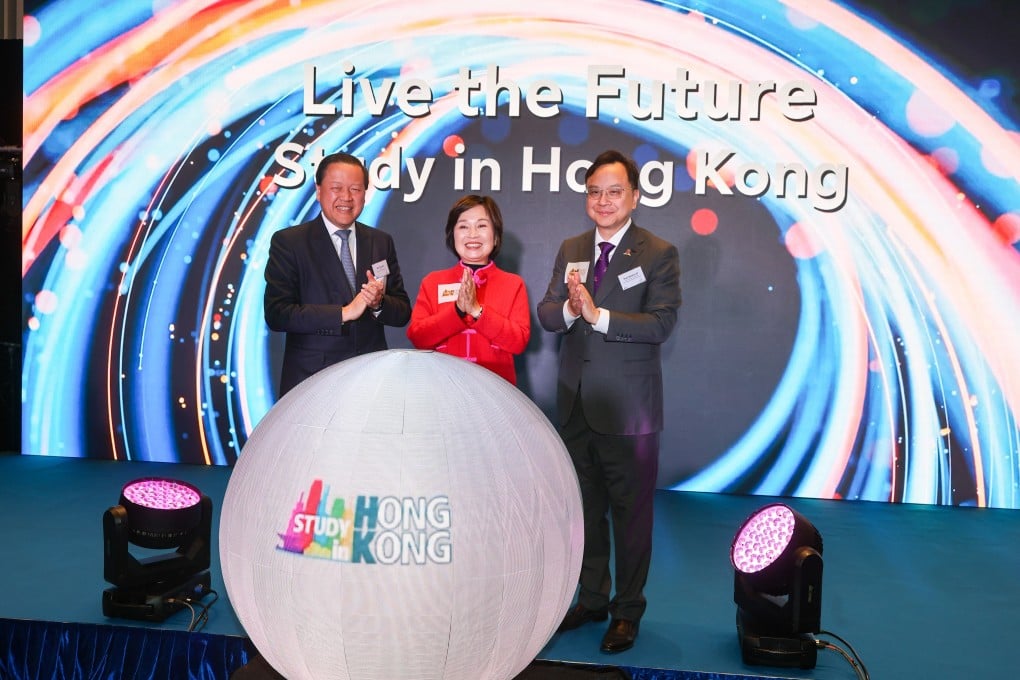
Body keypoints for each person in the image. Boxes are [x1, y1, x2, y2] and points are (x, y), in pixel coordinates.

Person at [537, 150, 681, 653]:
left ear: (634, 197)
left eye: (614, 191)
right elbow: (548, 313)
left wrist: (598, 317)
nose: (603, 200)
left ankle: (627, 609)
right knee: (584, 510)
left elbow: (661, 323)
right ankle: (593, 597)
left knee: (631, 516)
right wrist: (571, 310)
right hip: (576, 403)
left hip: (628, 410)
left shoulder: (658, 252)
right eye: (595, 191)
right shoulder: (572, 247)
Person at [264, 152, 411, 396]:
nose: (346, 197)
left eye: (355, 189)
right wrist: (343, 313)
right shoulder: (290, 242)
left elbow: (402, 312)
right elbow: (277, 314)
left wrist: (378, 304)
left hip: (370, 381)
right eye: (336, 188)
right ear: (318, 191)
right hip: (312, 381)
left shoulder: (380, 241)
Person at [407, 195, 530, 384]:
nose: (472, 234)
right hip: (444, 387)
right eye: (463, 226)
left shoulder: (513, 284)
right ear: (452, 235)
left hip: (495, 389)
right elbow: (418, 337)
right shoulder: (433, 282)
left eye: (481, 226)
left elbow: (518, 342)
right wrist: (457, 311)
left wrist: (476, 311)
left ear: (496, 237)